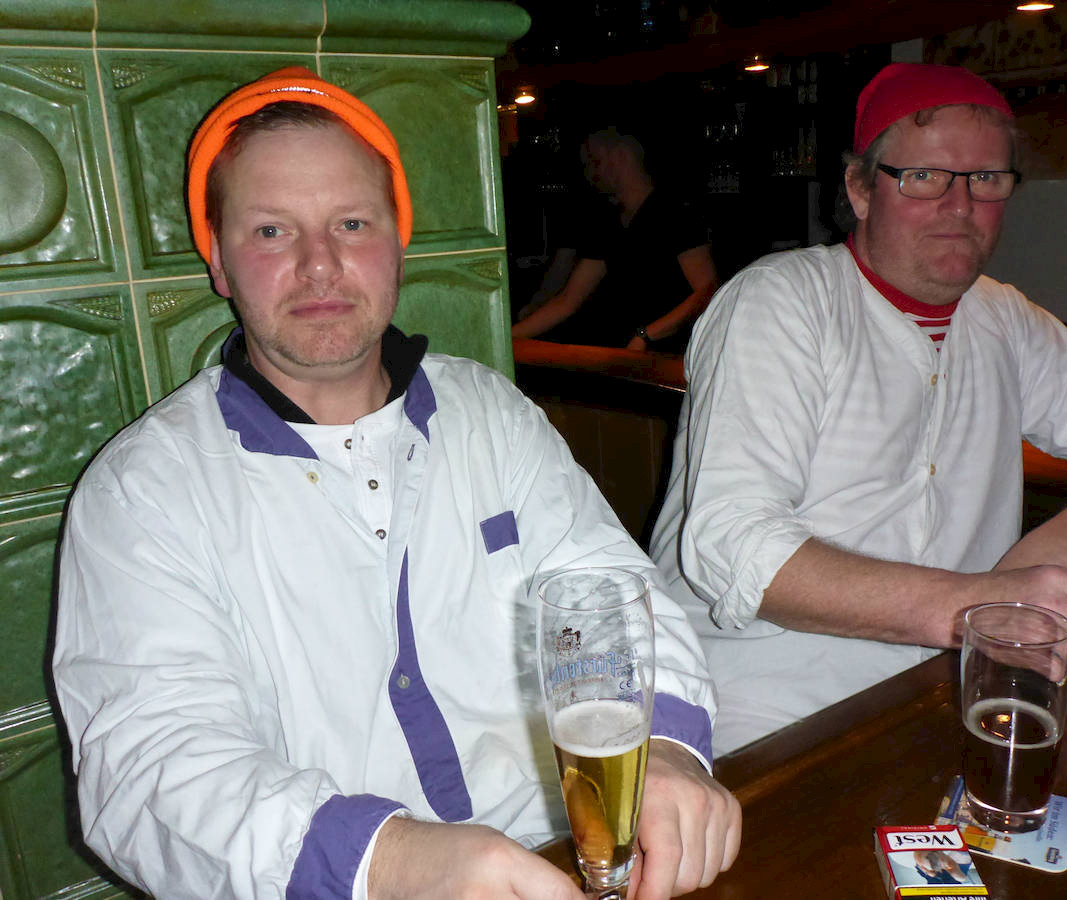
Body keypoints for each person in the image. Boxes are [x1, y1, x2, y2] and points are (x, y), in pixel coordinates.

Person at [51, 67, 740, 898]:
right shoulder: (141, 490)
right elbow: (150, 767)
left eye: (351, 223)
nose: (318, 264)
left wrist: (666, 749)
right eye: (271, 231)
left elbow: (607, 599)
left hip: (567, 856)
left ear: (397, 242)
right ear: (220, 263)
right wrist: (387, 861)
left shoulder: (490, 412)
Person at [649, 62, 1067, 756]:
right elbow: (734, 547)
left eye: (986, 179)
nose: (959, 205)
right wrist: (978, 606)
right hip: (756, 702)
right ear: (860, 188)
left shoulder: (1006, 318)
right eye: (924, 176)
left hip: (944, 692)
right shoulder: (781, 300)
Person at [512, 127, 719, 353]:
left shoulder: (675, 213)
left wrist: (647, 335)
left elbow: (708, 291)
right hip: (623, 353)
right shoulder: (608, 221)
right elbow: (568, 300)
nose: (590, 173)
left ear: (621, 156)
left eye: (595, 162)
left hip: (675, 354)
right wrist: (508, 337)